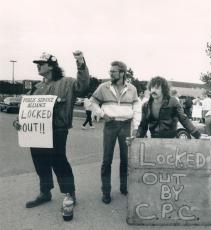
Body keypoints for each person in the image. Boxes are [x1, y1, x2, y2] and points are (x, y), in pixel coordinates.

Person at [13, 51, 90, 208]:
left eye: (41, 64)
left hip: (58, 129)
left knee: (58, 160)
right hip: (36, 131)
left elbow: (83, 85)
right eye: (37, 64)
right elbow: (27, 110)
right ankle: (45, 192)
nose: (38, 66)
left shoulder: (67, 82)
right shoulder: (37, 87)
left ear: (51, 66)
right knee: (40, 161)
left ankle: (69, 193)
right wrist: (18, 120)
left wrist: (80, 62)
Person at [90, 61, 140, 204]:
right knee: (107, 160)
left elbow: (137, 108)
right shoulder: (103, 87)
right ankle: (106, 192)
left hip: (126, 125)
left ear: (122, 73)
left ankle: (124, 187)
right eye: (110, 71)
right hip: (110, 125)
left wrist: (136, 126)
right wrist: (100, 113)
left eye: (113, 71)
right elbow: (91, 102)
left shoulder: (132, 89)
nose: (110, 73)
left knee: (125, 159)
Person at [135, 76, 201, 139]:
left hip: (171, 140)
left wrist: (198, 135)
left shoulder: (173, 102)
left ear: (163, 90)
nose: (153, 90)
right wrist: (136, 138)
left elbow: (184, 119)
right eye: (152, 88)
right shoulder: (146, 105)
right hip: (154, 140)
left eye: (157, 88)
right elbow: (143, 125)